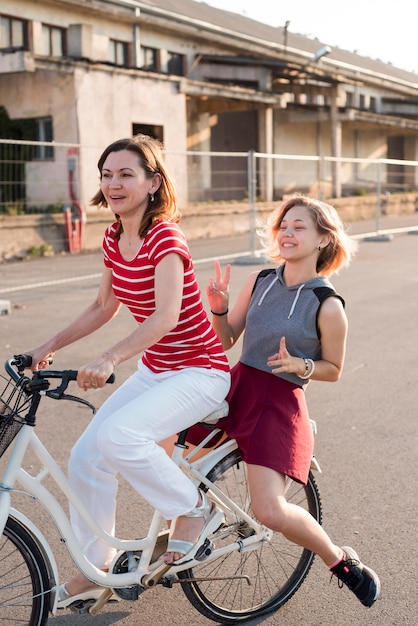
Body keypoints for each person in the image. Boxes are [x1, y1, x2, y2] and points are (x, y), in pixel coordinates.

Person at [25, 134, 231, 606]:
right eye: (107, 174)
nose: (114, 184)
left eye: (126, 174)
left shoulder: (166, 237)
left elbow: (167, 316)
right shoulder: (115, 236)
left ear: (153, 182)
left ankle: (194, 508)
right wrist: (47, 346)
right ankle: (96, 567)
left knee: (120, 437)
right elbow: (103, 305)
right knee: (85, 456)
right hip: (159, 370)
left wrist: (108, 357)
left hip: (200, 372)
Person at [202, 195, 380, 608]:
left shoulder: (328, 305)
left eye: (299, 227)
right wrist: (220, 310)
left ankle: (339, 560)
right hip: (237, 388)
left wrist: (300, 364)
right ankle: (188, 531)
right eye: (284, 225)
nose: (287, 233)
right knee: (165, 453)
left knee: (270, 512)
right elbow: (227, 340)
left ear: (323, 240)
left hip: (279, 403)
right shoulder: (260, 281)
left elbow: (333, 368)